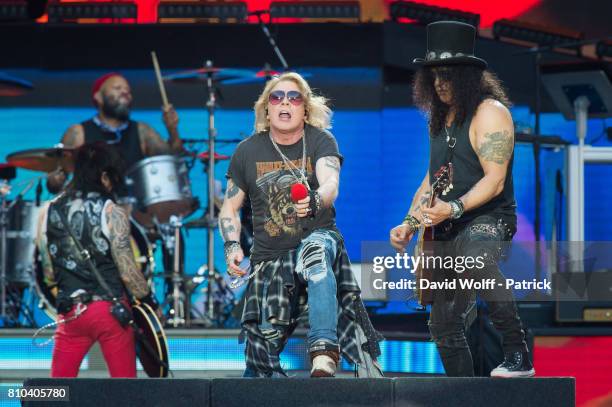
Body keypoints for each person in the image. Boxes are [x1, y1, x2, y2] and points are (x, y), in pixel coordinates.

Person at [389, 21, 535, 378]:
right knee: (443, 324)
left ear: (467, 76)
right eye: (434, 74)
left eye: (448, 74)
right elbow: (431, 178)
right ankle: (463, 394)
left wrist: (453, 208)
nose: (439, 82)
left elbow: (496, 180)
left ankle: (518, 353)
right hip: (446, 227)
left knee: (475, 261)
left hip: (488, 219)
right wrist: (409, 223)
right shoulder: (438, 120)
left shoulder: (489, 112)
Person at [219, 72, 383, 378]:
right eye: (276, 97)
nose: (285, 103)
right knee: (260, 362)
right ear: (266, 109)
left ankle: (324, 350)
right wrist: (232, 246)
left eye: (293, 97)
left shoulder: (321, 140)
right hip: (270, 258)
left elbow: (331, 181)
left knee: (316, 253)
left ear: (305, 108)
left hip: (317, 236)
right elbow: (229, 207)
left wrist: (317, 199)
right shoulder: (247, 151)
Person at [36, 142, 160, 377]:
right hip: (110, 312)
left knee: (57, 391)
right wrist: (151, 304)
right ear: (105, 176)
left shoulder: (48, 210)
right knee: (124, 390)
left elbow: (48, 272)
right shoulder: (112, 211)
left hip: (70, 313)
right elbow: (128, 271)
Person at [46, 72, 183, 194]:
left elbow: (173, 162)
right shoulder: (77, 132)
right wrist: (55, 180)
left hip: (136, 216)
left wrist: (173, 130)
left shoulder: (142, 130)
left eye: (128, 91)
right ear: (98, 97)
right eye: (117, 88)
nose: (125, 92)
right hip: (90, 215)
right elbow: (54, 185)